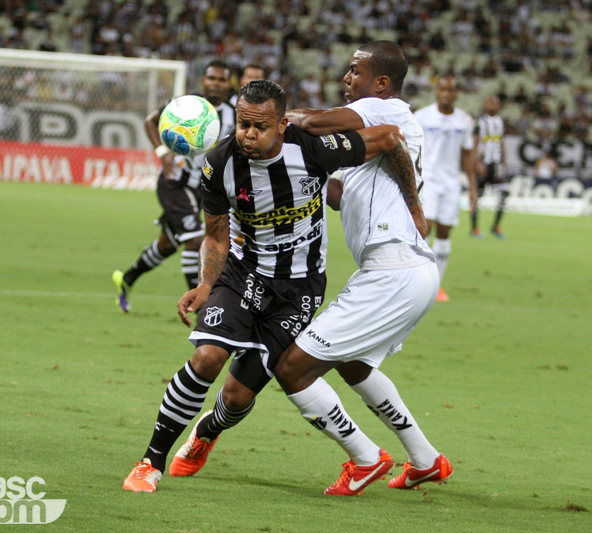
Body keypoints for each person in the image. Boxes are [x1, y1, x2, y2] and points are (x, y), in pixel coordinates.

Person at [122, 79, 424, 493]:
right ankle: (149, 463)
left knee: (238, 395)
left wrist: (414, 206)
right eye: (243, 123)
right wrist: (206, 284)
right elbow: (215, 234)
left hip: (299, 288)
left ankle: (207, 431)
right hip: (243, 272)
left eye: (259, 126)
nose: (248, 134)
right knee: (207, 358)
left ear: (281, 124)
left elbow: (390, 137)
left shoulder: (314, 148)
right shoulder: (220, 162)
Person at [273, 41, 453, 496]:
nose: (346, 79)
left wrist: (275, 118)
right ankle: (426, 460)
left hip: (393, 268)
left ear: (382, 82)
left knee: (293, 368)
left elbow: (314, 121)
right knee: (353, 364)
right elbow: (337, 195)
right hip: (400, 270)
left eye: (355, 70)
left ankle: (365, 458)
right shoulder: (370, 142)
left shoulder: (383, 108)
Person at [112, 60, 236, 313]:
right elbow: (150, 121)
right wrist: (163, 153)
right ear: (204, 80)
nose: (216, 83)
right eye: (212, 78)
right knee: (195, 241)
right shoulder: (187, 105)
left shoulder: (234, 112)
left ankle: (127, 278)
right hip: (176, 184)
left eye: (222, 80)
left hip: (206, 187)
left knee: (168, 243)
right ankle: (203, 308)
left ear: (228, 83)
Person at [414, 75, 477, 302]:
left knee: (445, 232)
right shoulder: (421, 117)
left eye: (451, 90)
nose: (446, 94)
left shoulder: (465, 120)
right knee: (425, 228)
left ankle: (436, 286)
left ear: (456, 93)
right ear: (436, 91)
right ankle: (418, 280)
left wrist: (472, 187)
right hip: (427, 180)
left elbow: (468, 155)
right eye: (443, 89)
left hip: (451, 183)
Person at [471, 95, 507, 239]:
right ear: (485, 104)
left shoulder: (500, 122)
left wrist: (504, 162)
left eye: (496, 103)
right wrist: (476, 163)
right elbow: (474, 143)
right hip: (483, 163)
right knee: (478, 196)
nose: (493, 105)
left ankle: (495, 226)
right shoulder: (479, 122)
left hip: (496, 163)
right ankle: (474, 228)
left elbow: (501, 142)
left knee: (504, 194)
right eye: (490, 102)